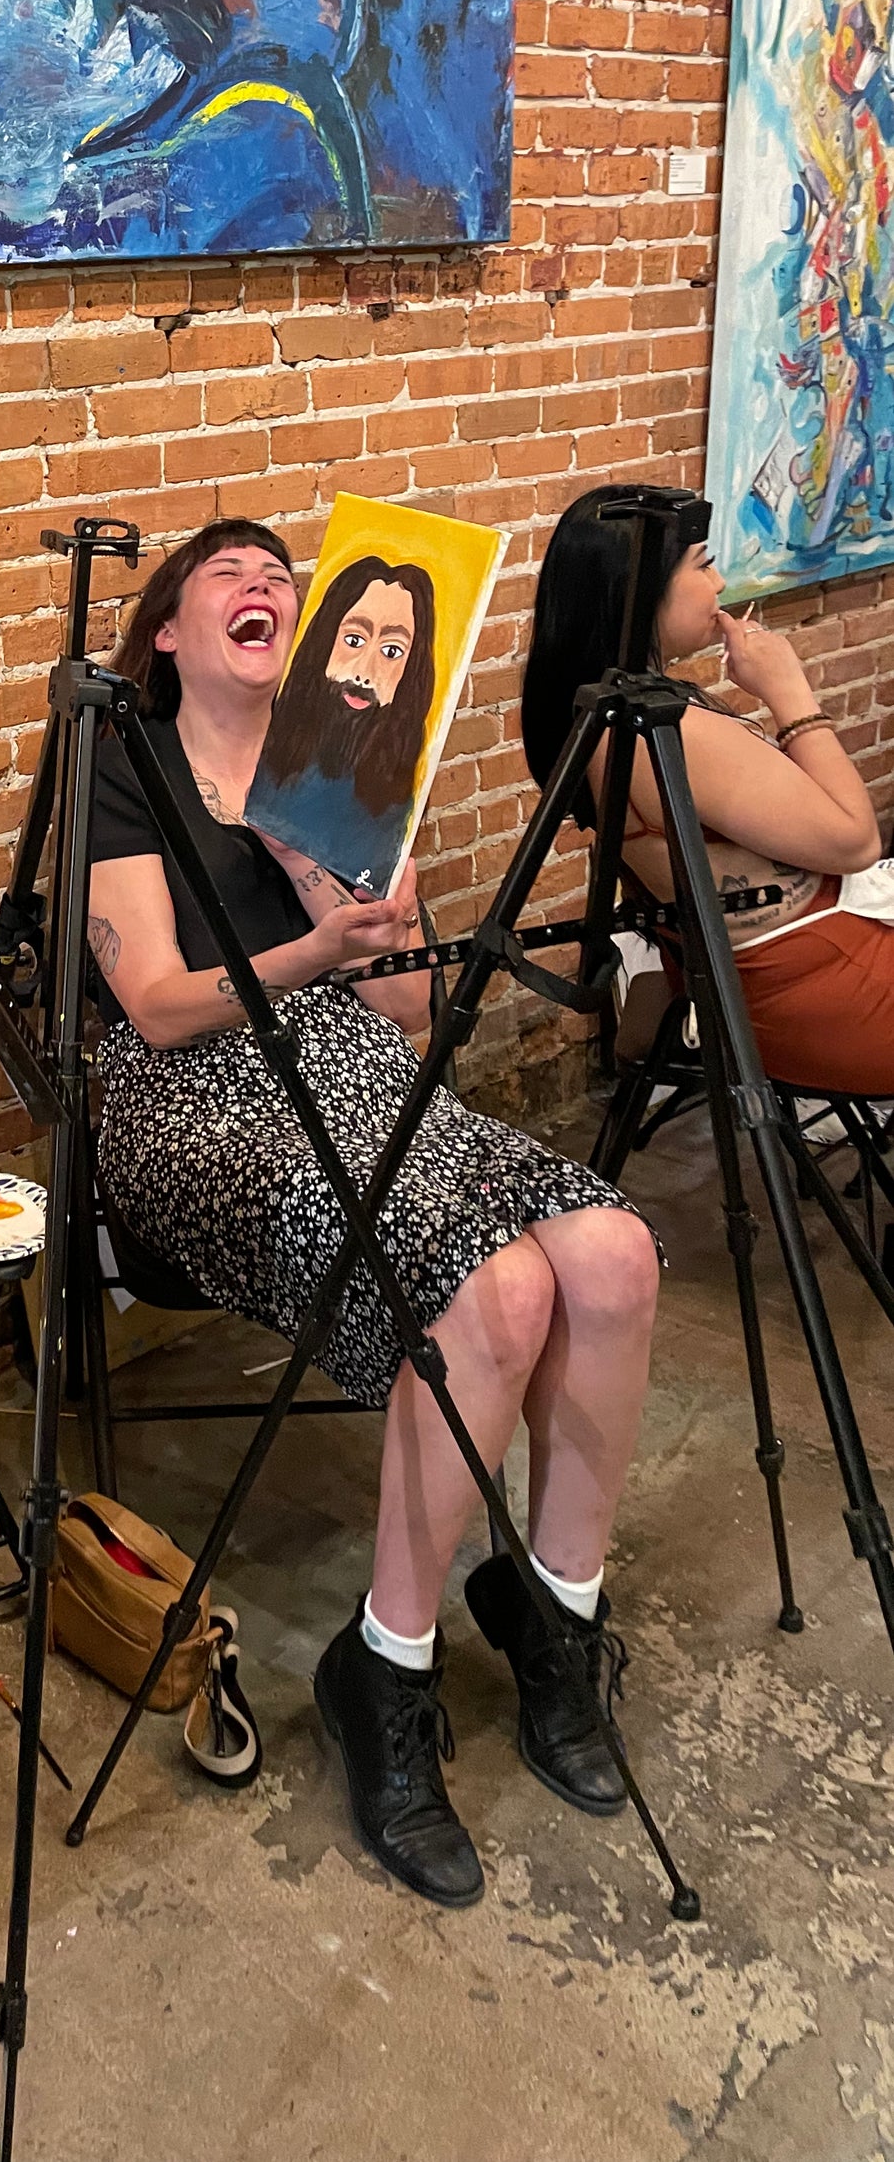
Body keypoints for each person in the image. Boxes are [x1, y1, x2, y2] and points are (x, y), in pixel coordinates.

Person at [85, 516, 662, 1908]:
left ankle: (553, 1615)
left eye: (280, 573)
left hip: (346, 1069)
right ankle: (384, 1665)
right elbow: (156, 1007)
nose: (264, 584)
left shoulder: (343, 775)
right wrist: (295, 947)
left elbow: (401, 1021)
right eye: (226, 571)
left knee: (610, 1249)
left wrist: (336, 899)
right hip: (189, 1102)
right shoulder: (125, 760)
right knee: (496, 1290)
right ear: (166, 630)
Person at [523, 483, 891, 1094]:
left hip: (777, 997)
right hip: (836, 996)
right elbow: (857, 843)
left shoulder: (594, 717)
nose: (719, 586)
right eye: (704, 564)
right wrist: (788, 691)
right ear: (642, 593)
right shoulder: (665, 734)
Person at [253, 551, 439, 894]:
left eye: (392, 651)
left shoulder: (395, 775)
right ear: (325, 640)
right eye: (354, 640)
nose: (364, 674)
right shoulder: (269, 735)